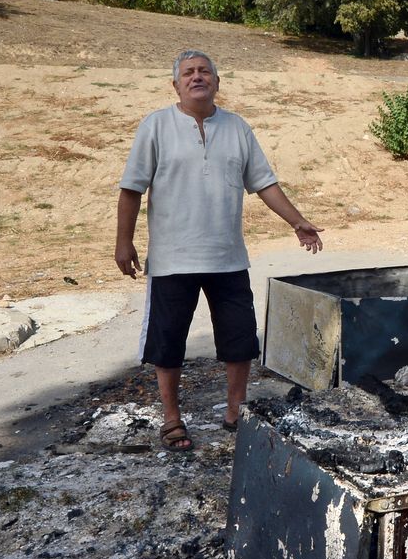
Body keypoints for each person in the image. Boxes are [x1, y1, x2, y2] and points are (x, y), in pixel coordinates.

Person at [115, 50, 323, 451]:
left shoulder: (237, 128)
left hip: (227, 257)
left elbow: (264, 183)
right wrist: (124, 241)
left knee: (240, 338)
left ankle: (235, 410)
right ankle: (172, 419)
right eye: (189, 73)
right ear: (176, 84)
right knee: (168, 340)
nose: (197, 77)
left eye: (204, 71)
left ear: (216, 82)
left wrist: (297, 221)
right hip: (173, 258)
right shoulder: (156, 126)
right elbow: (131, 189)